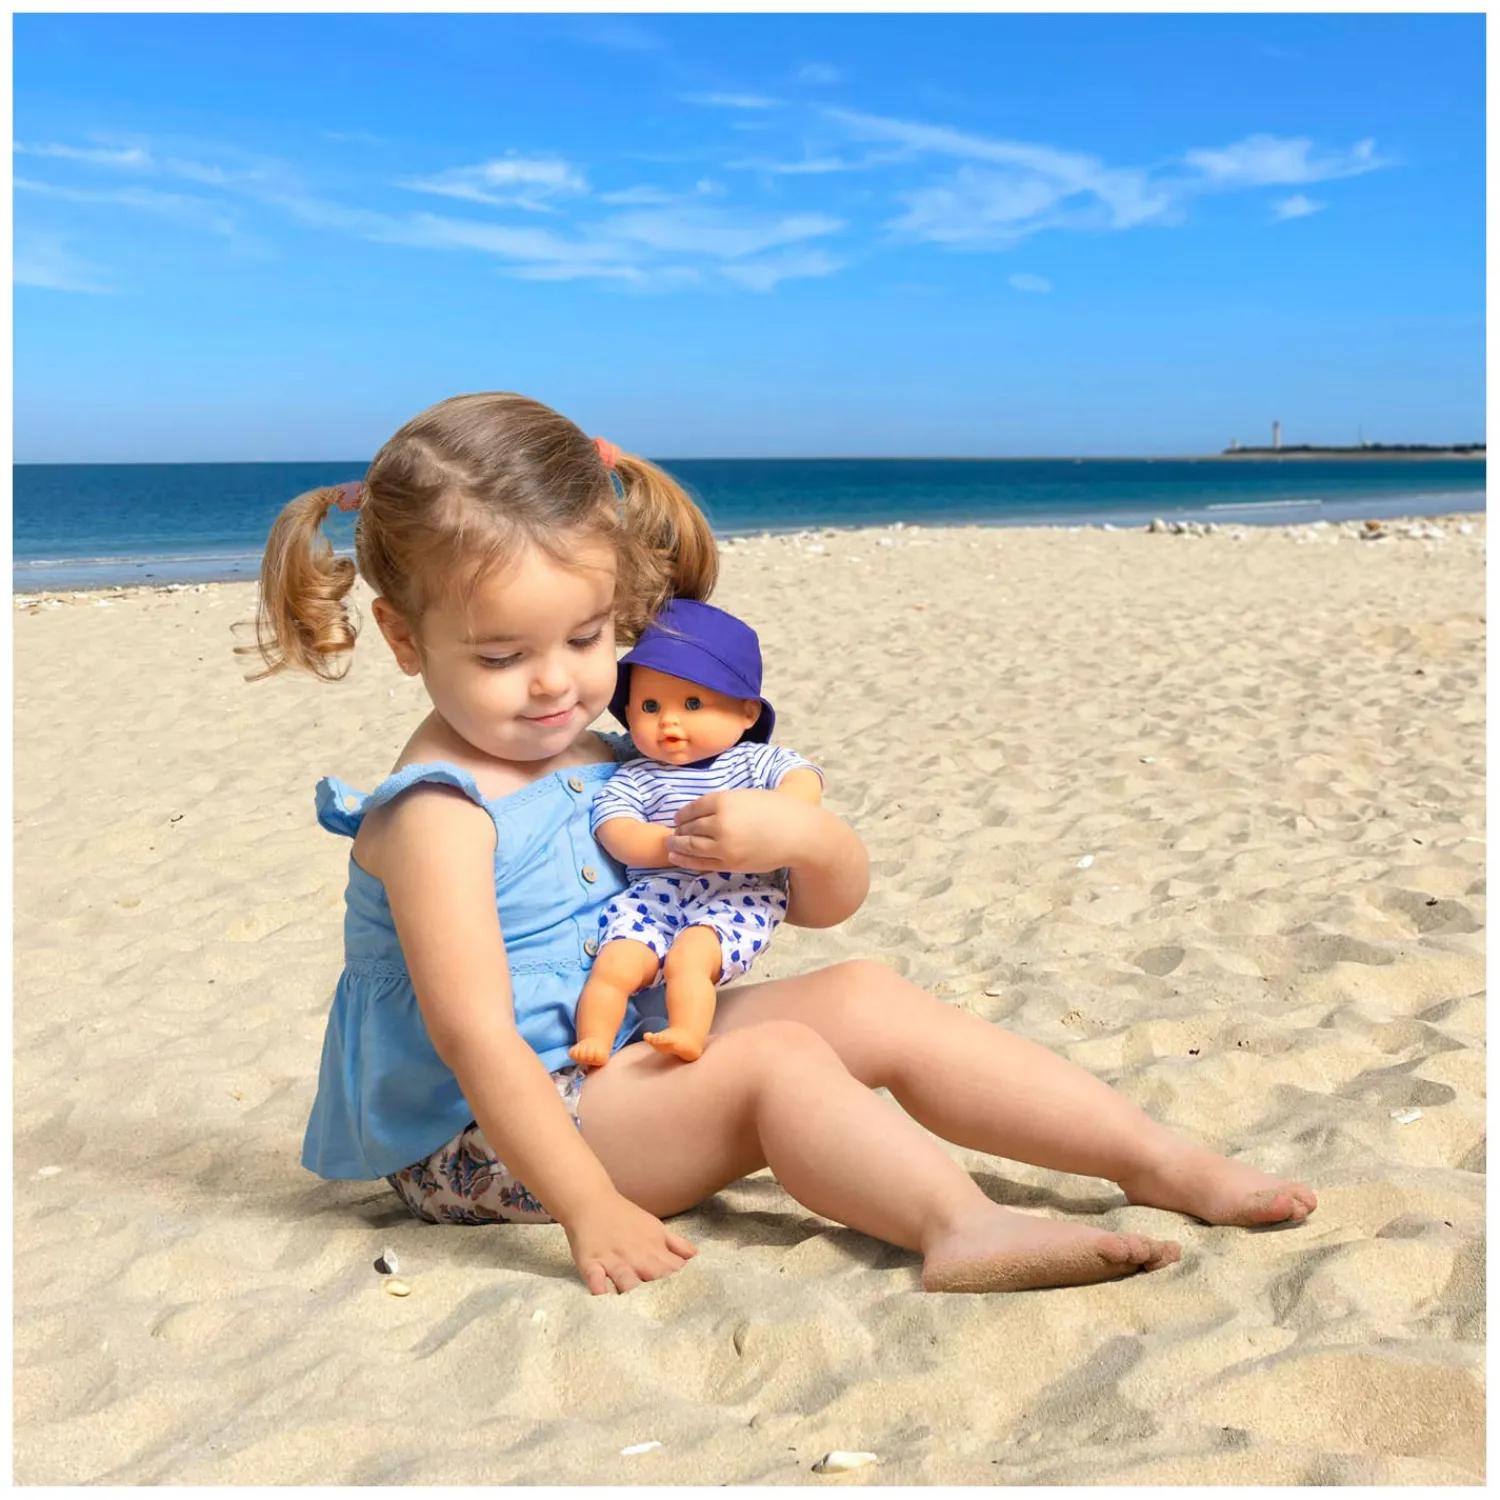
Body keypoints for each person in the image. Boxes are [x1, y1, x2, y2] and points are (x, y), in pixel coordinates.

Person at [247, 391, 1317, 1298]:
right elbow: (478, 1041)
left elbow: (819, 904)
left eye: (585, 637)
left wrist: (801, 834)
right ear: (404, 638)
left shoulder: (611, 757)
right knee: (777, 1062)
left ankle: (1153, 1159)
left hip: (621, 1051)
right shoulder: (437, 815)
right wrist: (589, 1208)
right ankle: (961, 1226)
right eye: (500, 656)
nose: (554, 683)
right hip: (486, 1140)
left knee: (866, 997)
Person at [570, 598, 821, 1067]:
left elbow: (804, 780)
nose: (668, 720)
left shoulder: (753, 762)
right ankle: (594, 1041)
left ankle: (687, 1031)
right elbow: (614, 827)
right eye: (649, 706)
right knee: (615, 964)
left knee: (691, 958)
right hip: (655, 892)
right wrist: (670, 845)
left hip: (735, 893)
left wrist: (775, 817)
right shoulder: (636, 775)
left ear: (747, 713)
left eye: (692, 704)